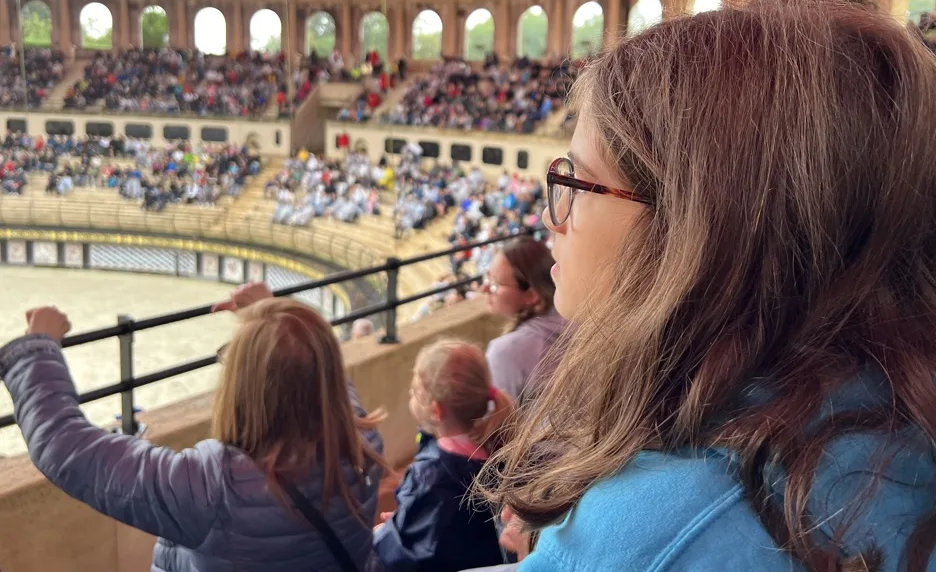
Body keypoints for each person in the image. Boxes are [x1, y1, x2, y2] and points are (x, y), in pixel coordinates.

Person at [485, 0, 936, 571]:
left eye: (575, 184)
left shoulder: (653, 536)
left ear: (689, 233)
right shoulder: (921, 410)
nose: (550, 218)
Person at [0, 282, 386, 571]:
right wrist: (271, 316)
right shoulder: (362, 441)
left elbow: (67, 448)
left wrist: (37, 349)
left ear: (241, 384)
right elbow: (320, 382)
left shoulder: (212, 488)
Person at [373, 339, 512, 571]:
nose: (411, 395)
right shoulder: (499, 447)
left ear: (436, 411)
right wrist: (405, 520)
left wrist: (386, 534)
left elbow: (412, 559)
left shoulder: (432, 477)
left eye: (415, 392)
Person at [483, 237, 565, 402]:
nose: (484, 288)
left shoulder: (506, 353)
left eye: (495, 284)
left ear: (531, 296)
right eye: (487, 277)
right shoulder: (576, 315)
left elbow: (499, 424)